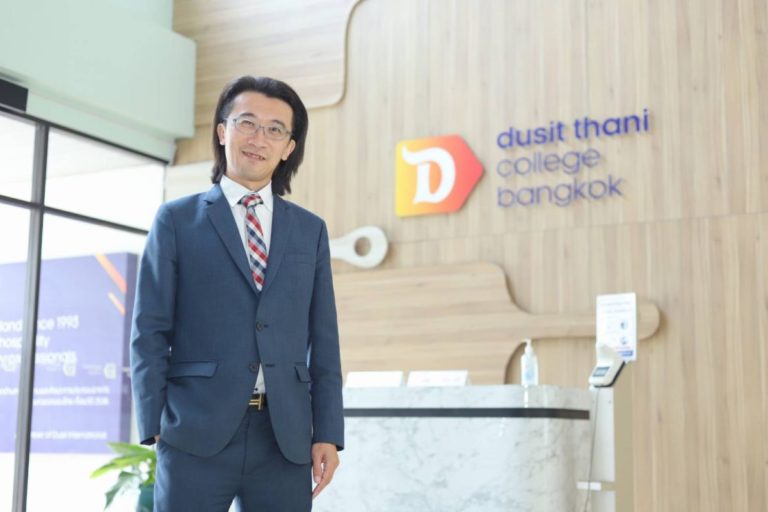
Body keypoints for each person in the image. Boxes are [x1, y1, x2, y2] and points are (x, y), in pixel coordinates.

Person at [130, 75, 344, 511]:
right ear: (222, 131)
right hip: (195, 432)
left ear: (289, 147)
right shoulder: (176, 220)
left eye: (274, 129)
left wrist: (327, 432)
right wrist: (153, 424)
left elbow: (324, 339)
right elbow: (149, 329)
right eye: (247, 122)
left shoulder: (310, 231)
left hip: (284, 437)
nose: (258, 138)